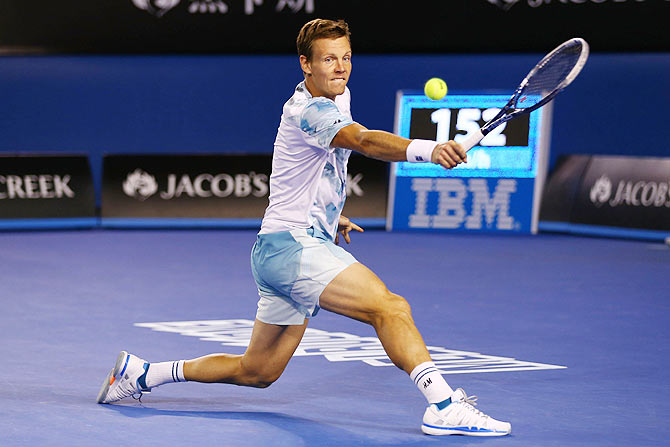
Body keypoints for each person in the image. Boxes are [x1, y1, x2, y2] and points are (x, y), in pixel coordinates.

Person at [97, 18, 511, 437]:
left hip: (278, 247)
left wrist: (330, 214)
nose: (340, 68)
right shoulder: (309, 110)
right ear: (305, 65)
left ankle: (142, 374)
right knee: (390, 307)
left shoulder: (337, 96)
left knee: (257, 371)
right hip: (292, 247)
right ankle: (442, 405)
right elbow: (364, 141)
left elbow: (315, 169)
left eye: (346, 57)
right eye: (328, 59)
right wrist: (428, 149)